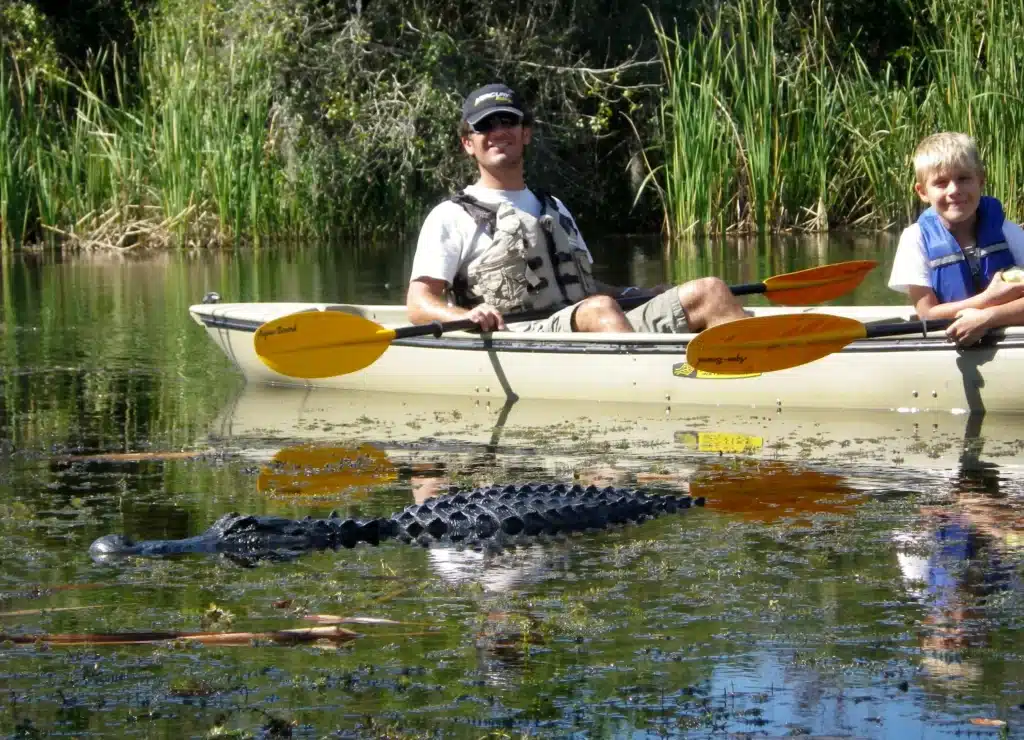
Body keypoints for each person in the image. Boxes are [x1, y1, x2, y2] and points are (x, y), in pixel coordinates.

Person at [406, 83, 749, 333]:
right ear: (468, 143)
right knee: (598, 311)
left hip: (590, 321)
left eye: (508, 122)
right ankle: (652, 384)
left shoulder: (553, 207)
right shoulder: (450, 217)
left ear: (525, 134)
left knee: (711, 291)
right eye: (485, 125)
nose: (498, 132)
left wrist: (640, 293)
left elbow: (584, 287)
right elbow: (419, 304)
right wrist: (466, 317)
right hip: (518, 337)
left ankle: (766, 368)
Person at [887, 132, 1024, 345]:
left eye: (964, 178)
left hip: (1005, 331)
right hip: (950, 339)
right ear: (923, 192)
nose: (954, 190)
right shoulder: (915, 239)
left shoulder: (1007, 231)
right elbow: (927, 314)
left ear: (981, 181)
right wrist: (989, 299)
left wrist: (987, 318)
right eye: (941, 183)